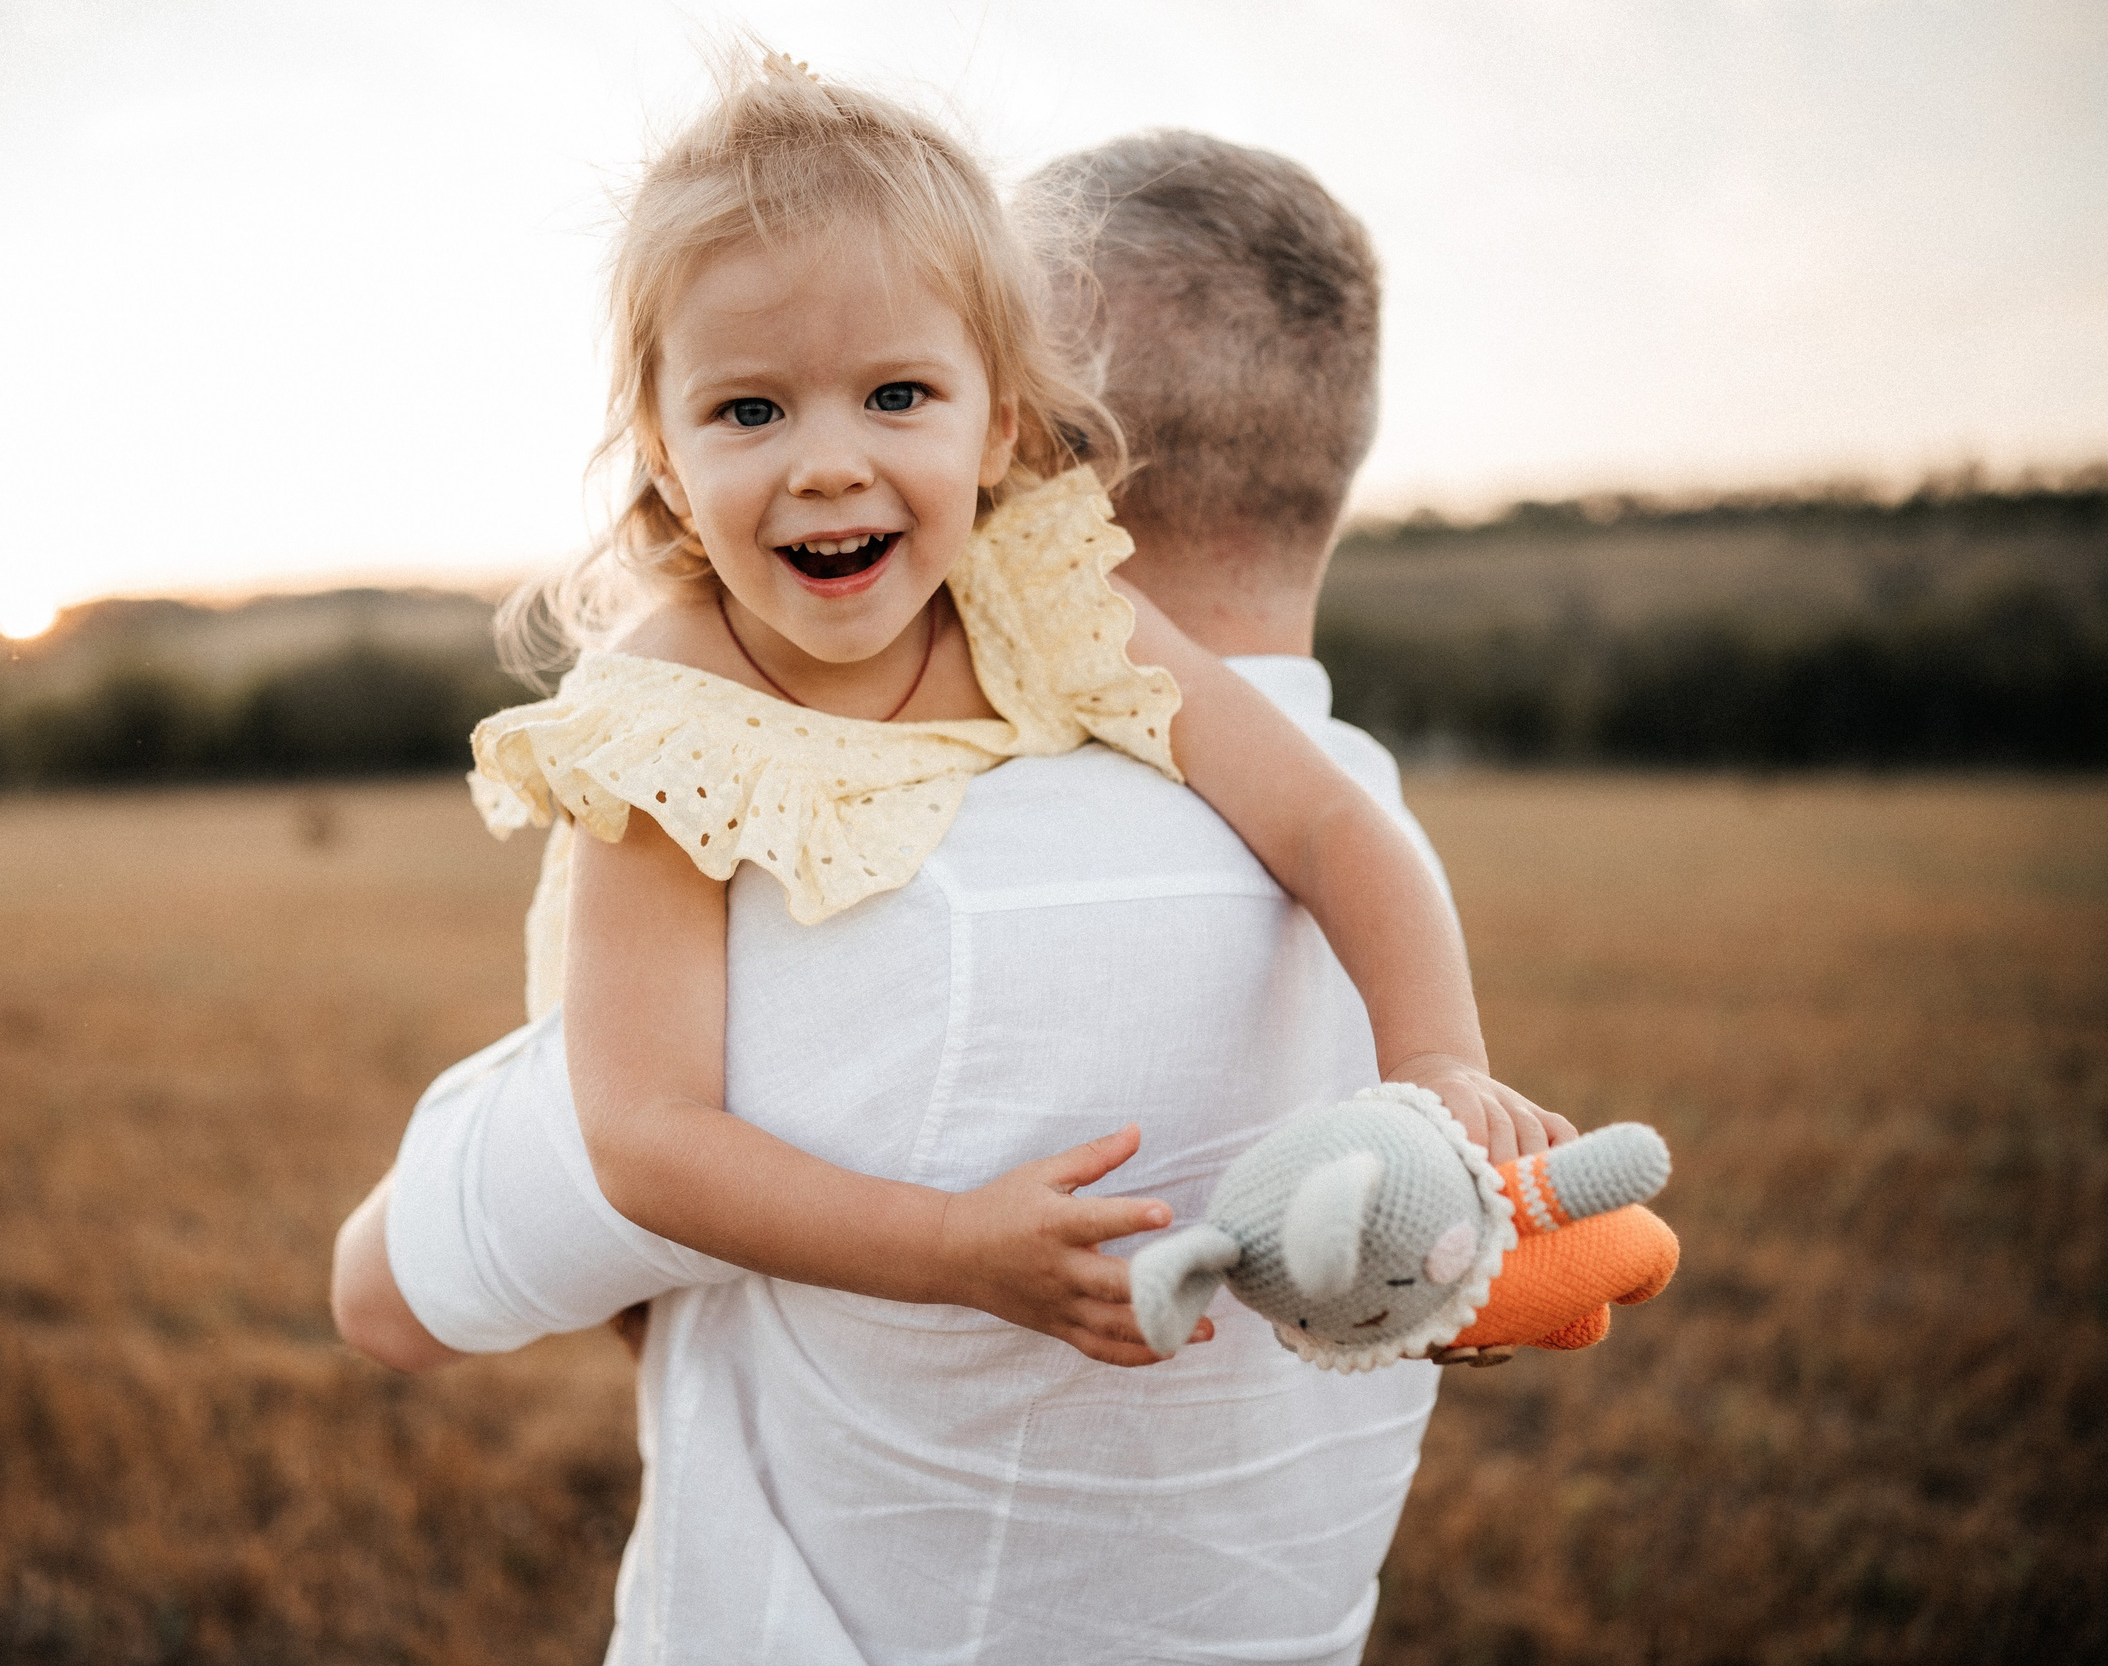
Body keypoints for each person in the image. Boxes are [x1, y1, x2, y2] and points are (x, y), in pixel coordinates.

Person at [335, 86, 1562, 1664]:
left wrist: (1439, 1073)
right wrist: (941, 1250)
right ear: (659, 445)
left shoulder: (1044, 615)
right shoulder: (661, 730)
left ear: (1011, 429)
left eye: (895, 392)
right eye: (751, 411)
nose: (827, 462)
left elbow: (391, 1291)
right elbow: (642, 1130)